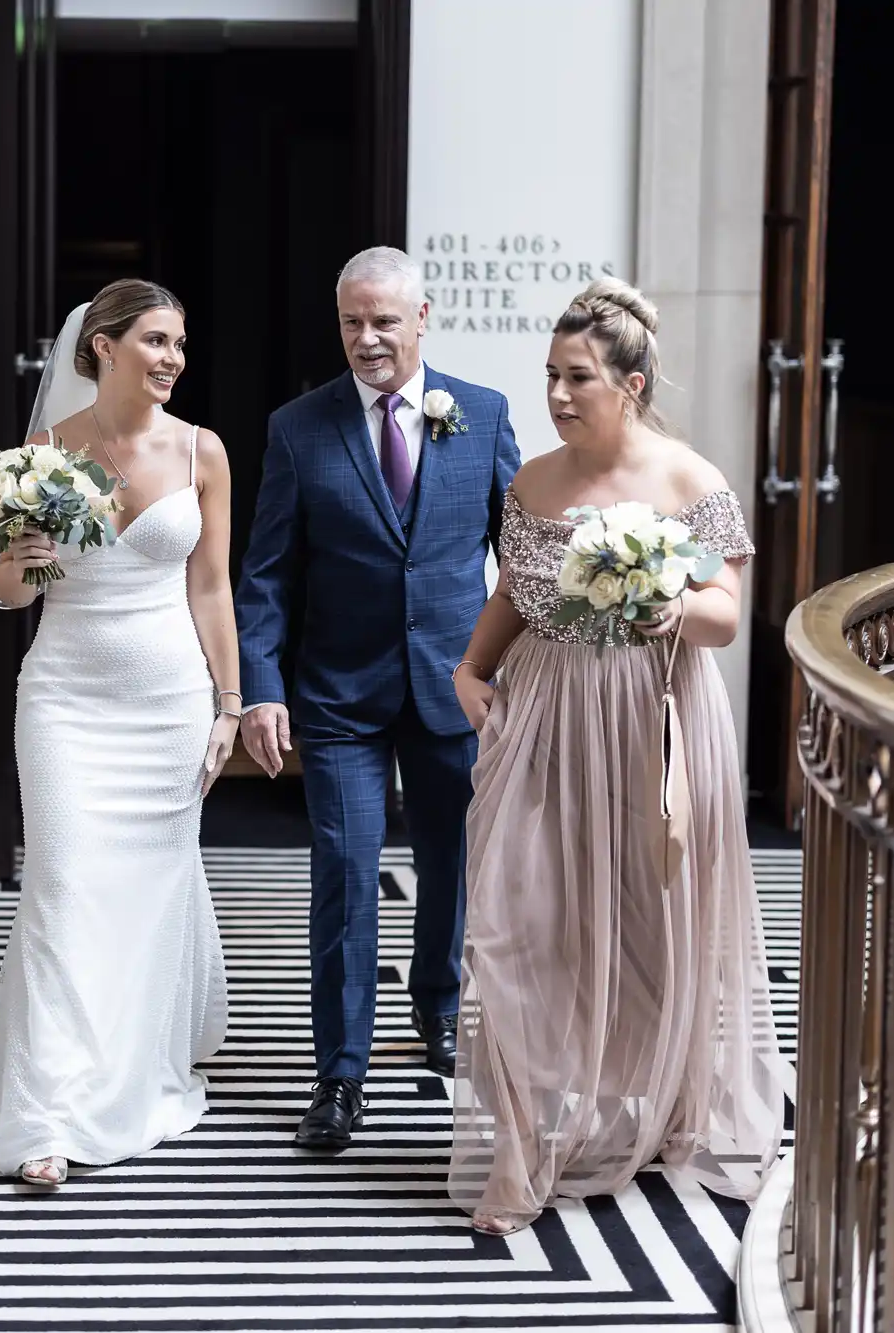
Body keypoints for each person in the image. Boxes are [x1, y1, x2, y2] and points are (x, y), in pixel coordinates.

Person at [446, 279, 785, 1234]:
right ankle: (518, 1151)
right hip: (546, 715)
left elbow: (725, 614)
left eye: (578, 378)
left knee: (652, 931)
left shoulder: (689, 480)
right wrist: (471, 669)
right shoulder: (535, 481)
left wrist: (671, 606)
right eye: (551, 375)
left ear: (630, 385)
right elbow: (514, 590)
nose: (557, 394)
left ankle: (670, 1104)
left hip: (653, 717)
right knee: (509, 929)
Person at [0, 279, 237, 1187]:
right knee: (66, 885)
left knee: (142, 900)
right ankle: (44, 1110)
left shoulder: (203, 451)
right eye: (154, 340)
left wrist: (229, 703)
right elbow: (9, 594)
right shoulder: (38, 453)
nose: (172, 358)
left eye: (180, 344)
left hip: (168, 707)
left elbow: (212, 587)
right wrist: (18, 567)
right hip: (66, 698)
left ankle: (124, 1070)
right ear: (101, 346)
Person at [236, 246, 520, 1150]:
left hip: (455, 686)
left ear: (423, 317)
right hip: (338, 696)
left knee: (451, 867)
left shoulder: (481, 414)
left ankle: (437, 1006)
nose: (367, 339)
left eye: (384, 321)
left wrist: (527, 673)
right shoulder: (296, 428)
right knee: (346, 876)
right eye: (352, 322)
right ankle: (340, 1075)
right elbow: (267, 576)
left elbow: (522, 562)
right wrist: (262, 689)